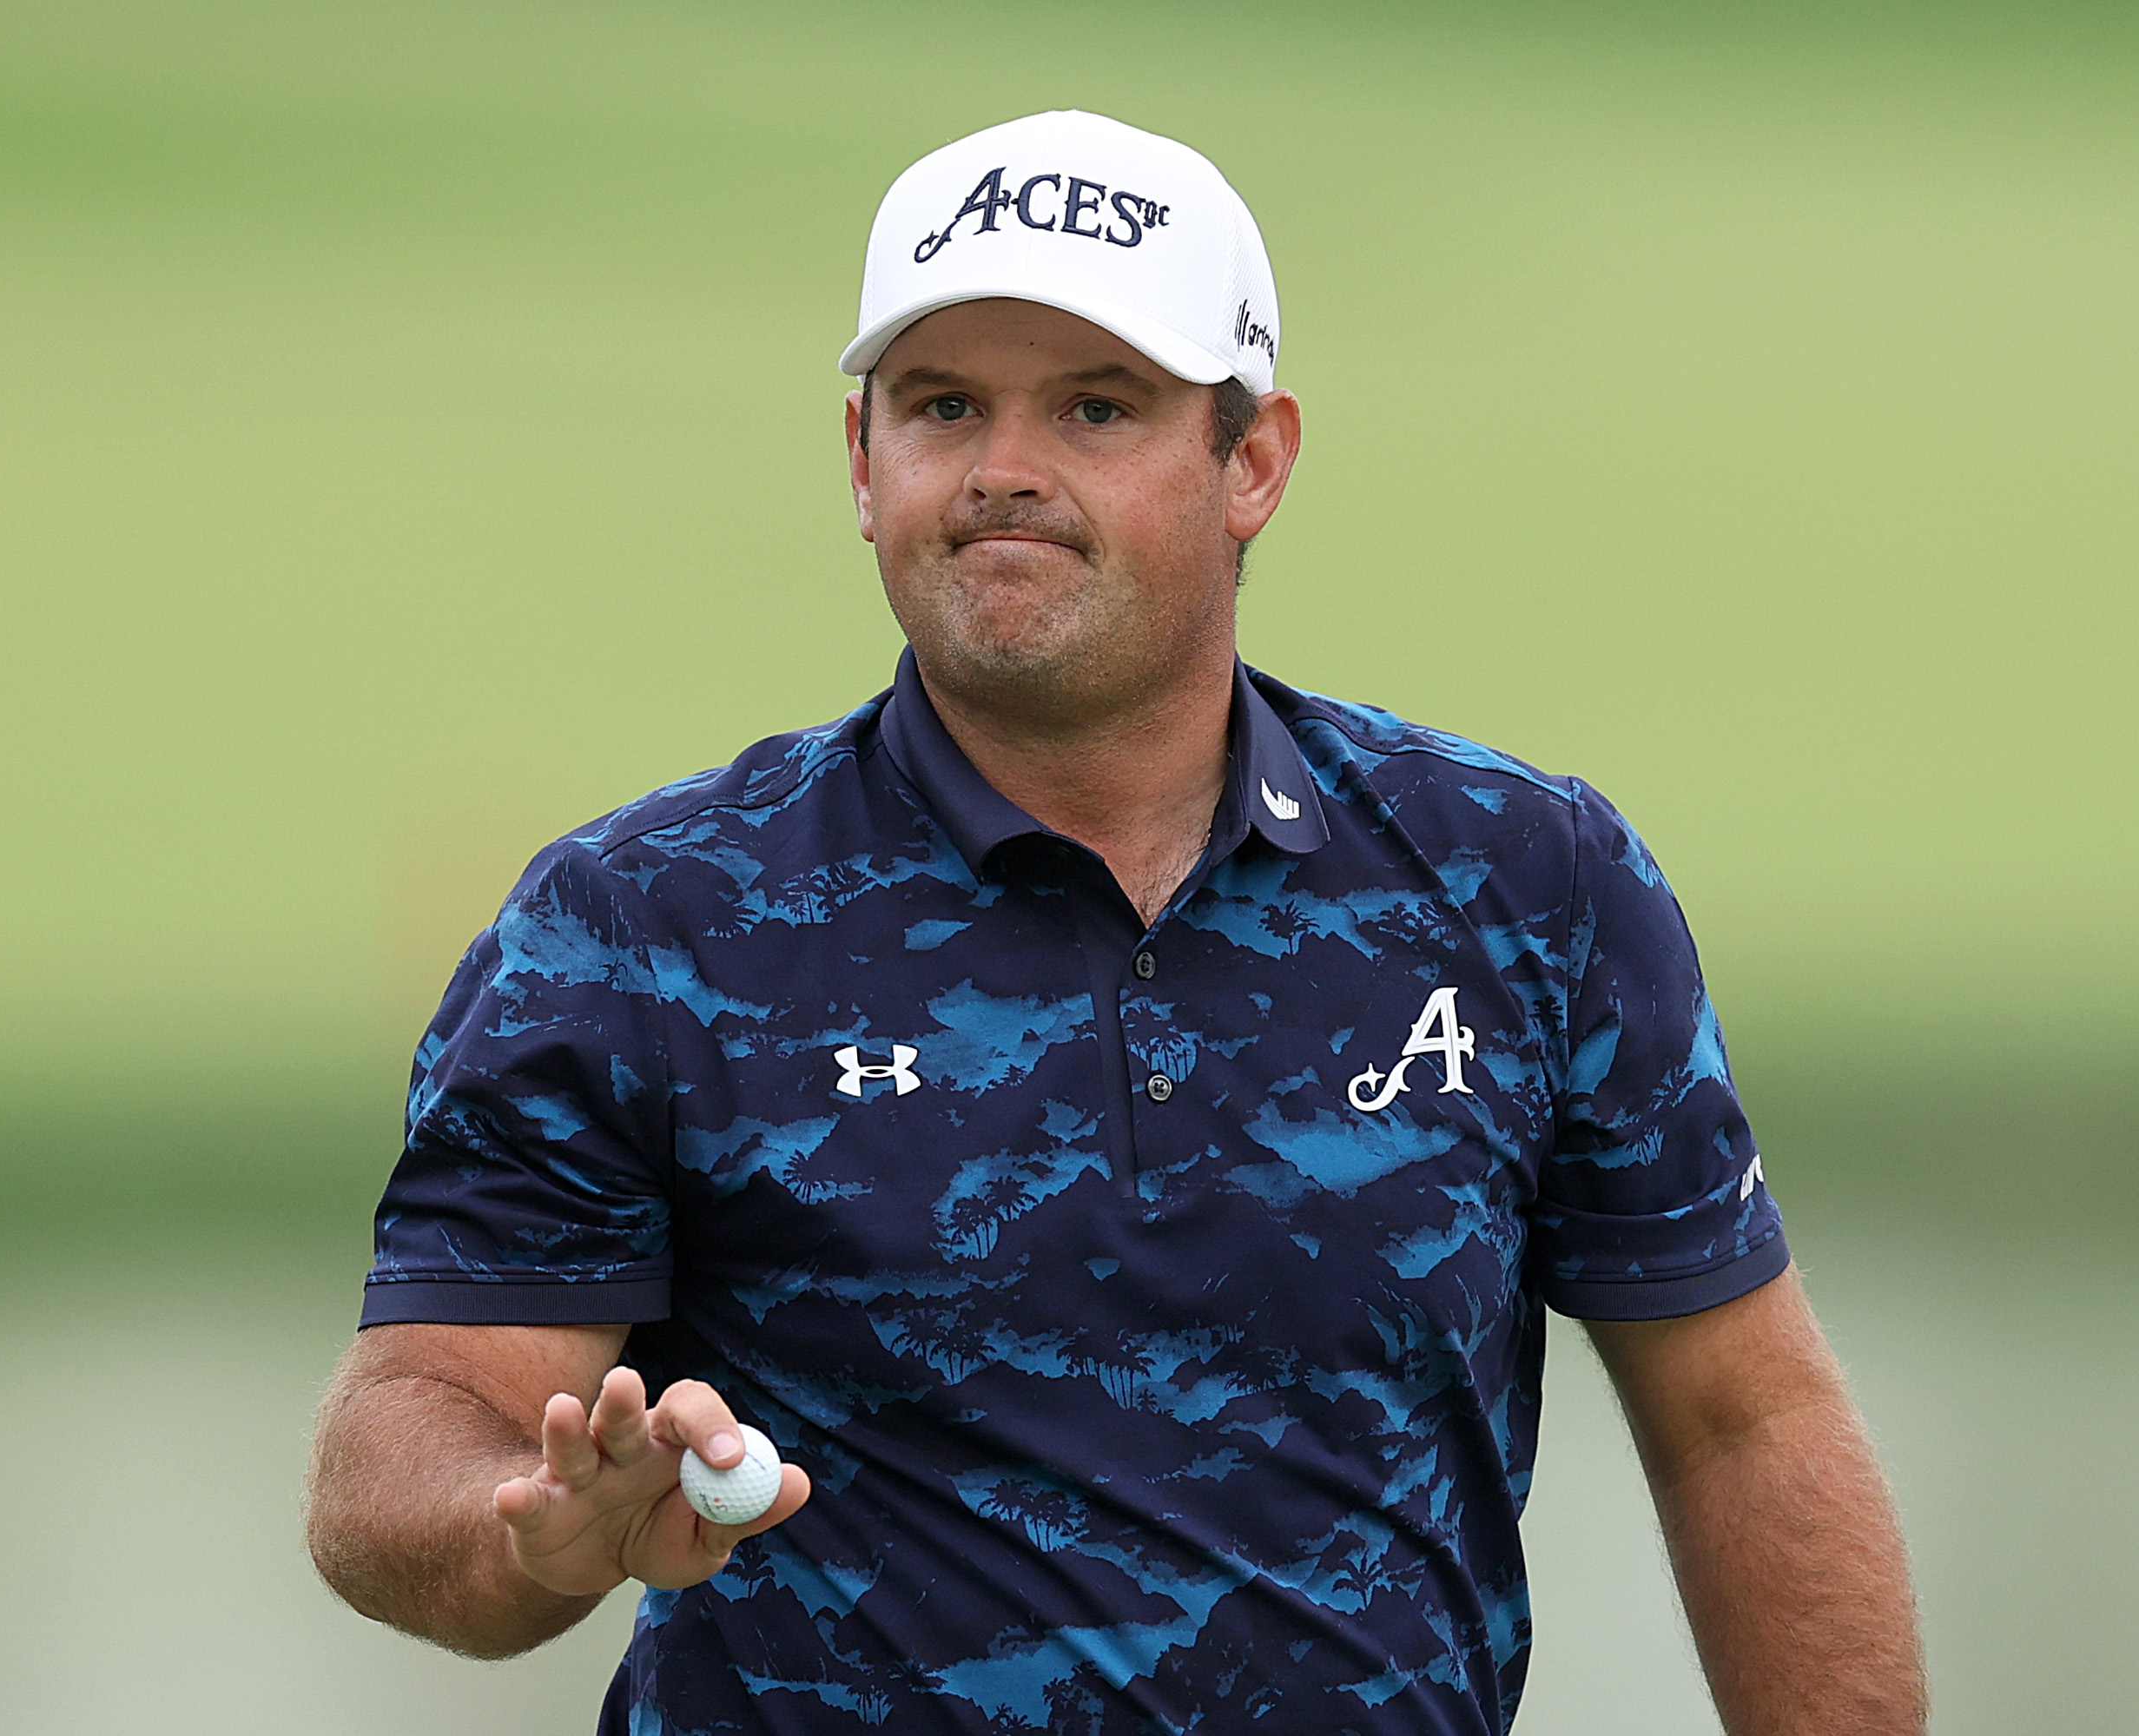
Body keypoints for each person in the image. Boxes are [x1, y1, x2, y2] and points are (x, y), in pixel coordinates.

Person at [307, 110, 1924, 1734]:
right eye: (945, 407)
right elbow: (413, 1434)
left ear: (1256, 463)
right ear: (864, 467)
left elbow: (1744, 1426)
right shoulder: (647, 919)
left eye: (1097, 406)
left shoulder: (1524, 880)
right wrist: (538, 1534)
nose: (1005, 465)